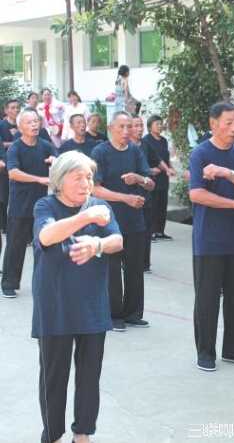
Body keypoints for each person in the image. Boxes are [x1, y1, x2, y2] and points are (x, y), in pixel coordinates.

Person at [33, 151, 123, 443]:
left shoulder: (100, 206)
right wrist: (85, 217)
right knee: (53, 377)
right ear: (59, 181)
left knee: (89, 376)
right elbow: (46, 237)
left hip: (92, 306)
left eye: (89, 177)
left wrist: (97, 244)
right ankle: (53, 435)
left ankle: (82, 433)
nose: (86, 183)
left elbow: (117, 240)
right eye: (78, 177)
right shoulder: (45, 205)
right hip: (55, 306)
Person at [189, 102, 234, 372]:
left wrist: (227, 173)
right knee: (207, 298)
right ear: (213, 124)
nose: (233, 128)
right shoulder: (200, 154)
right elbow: (196, 194)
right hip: (209, 240)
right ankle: (205, 352)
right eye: (228, 123)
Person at [91, 111, 155, 331]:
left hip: (135, 219)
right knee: (111, 269)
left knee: (135, 268)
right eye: (122, 127)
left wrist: (138, 178)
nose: (127, 131)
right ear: (110, 128)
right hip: (108, 220)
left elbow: (150, 183)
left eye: (130, 127)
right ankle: (113, 315)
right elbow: (95, 188)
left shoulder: (136, 152)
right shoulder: (100, 151)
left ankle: (133, 313)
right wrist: (125, 197)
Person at [2, 109, 57, 298]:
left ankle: (42, 284)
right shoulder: (15, 147)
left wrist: (55, 161)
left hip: (42, 206)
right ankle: (9, 283)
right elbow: (13, 173)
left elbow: (61, 161)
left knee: (43, 246)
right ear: (20, 127)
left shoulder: (46, 145)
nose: (34, 125)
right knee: (15, 246)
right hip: (20, 205)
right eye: (29, 122)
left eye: (36, 121)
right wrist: (39, 179)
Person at [130, 115, 165, 273]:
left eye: (141, 125)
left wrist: (166, 169)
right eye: (136, 126)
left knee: (145, 230)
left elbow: (156, 160)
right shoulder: (126, 147)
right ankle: (130, 261)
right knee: (132, 232)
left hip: (146, 193)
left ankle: (145, 264)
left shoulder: (145, 144)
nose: (139, 129)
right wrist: (149, 171)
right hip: (129, 196)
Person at [142, 115, 177, 241]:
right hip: (153, 176)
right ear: (150, 126)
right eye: (157, 124)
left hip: (163, 177)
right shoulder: (146, 140)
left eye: (161, 124)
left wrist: (170, 168)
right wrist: (151, 170)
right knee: (153, 205)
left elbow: (165, 158)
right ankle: (151, 232)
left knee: (163, 204)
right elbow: (151, 158)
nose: (160, 126)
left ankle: (160, 231)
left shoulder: (164, 140)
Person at [0, 99, 21, 232]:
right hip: (4, 164)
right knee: (4, 196)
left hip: (20, 164)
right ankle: (4, 225)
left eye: (18, 108)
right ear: (6, 110)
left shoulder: (22, 124)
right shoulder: (1, 125)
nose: (16, 110)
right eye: (12, 108)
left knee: (17, 196)